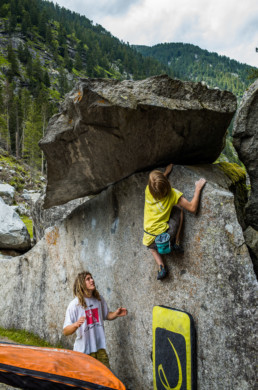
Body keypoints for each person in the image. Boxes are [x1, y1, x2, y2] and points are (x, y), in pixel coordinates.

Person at [143, 164, 206, 280]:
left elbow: (155, 185)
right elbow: (192, 208)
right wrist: (198, 188)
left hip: (150, 239)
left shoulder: (148, 190)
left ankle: (161, 266)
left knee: (151, 248)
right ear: (167, 184)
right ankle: (176, 242)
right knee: (179, 210)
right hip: (166, 236)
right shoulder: (173, 194)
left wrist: (166, 173)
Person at [63, 271, 127, 368]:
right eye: (88, 279)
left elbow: (106, 315)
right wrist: (75, 325)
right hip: (83, 352)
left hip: (100, 349)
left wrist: (115, 314)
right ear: (81, 283)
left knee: (105, 379)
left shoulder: (99, 299)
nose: (92, 280)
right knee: (86, 381)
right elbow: (66, 331)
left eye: (91, 278)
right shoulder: (74, 305)